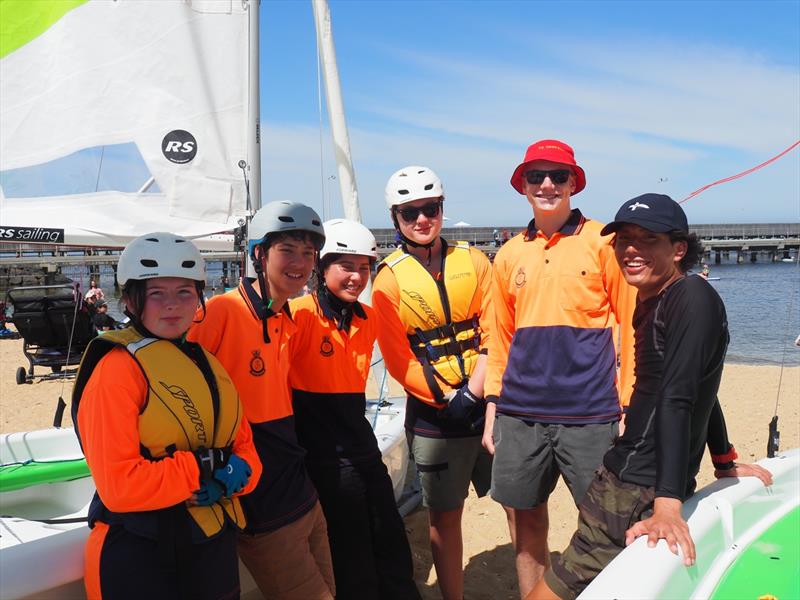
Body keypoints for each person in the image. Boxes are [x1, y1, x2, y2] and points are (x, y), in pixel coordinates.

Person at [527, 193, 774, 600]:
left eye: (647, 239)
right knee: (566, 585)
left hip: (644, 484)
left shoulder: (688, 298)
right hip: (633, 487)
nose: (630, 250)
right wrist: (669, 503)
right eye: (624, 239)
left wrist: (720, 463)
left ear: (679, 249)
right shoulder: (656, 299)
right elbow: (681, 396)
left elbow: (694, 391)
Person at [71, 232, 261, 599]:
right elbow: (120, 487)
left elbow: (246, 451)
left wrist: (232, 479)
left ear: (200, 298)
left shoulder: (207, 363)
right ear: (129, 299)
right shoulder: (116, 370)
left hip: (207, 547)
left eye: (184, 293)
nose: (172, 305)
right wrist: (204, 467)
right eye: (157, 293)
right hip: (141, 553)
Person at [484, 139, 636, 596]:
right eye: (536, 176)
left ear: (573, 183)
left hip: (591, 412)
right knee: (525, 521)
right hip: (520, 413)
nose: (547, 184)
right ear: (523, 186)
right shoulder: (509, 253)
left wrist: (629, 401)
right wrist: (493, 403)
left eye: (558, 175)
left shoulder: (602, 240)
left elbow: (631, 325)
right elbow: (500, 337)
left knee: (609, 527)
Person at [187, 201, 335, 600]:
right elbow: (177, 388)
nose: (301, 263)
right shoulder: (220, 312)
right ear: (258, 254)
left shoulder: (287, 317)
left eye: (309, 253)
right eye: (288, 250)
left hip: (299, 487)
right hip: (260, 501)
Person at [372, 165, 494, 600]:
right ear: (396, 218)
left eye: (430, 208)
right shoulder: (388, 277)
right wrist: (446, 399)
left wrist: (474, 392)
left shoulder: (475, 261)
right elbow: (398, 356)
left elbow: (494, 330)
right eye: (410, 213)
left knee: (521, 501)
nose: (422, 219)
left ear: (442, 208)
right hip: (433, 415)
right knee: (444, 516)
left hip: (487, 403)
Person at [288, 218, 421, 600]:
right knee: (352, 558)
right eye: (346, 266)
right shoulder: (298, 316)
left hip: (363, 450)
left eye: (364, 268)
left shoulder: (367, 319)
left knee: (392, 543)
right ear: (322, 267)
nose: (356, 277)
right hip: (323, 459)